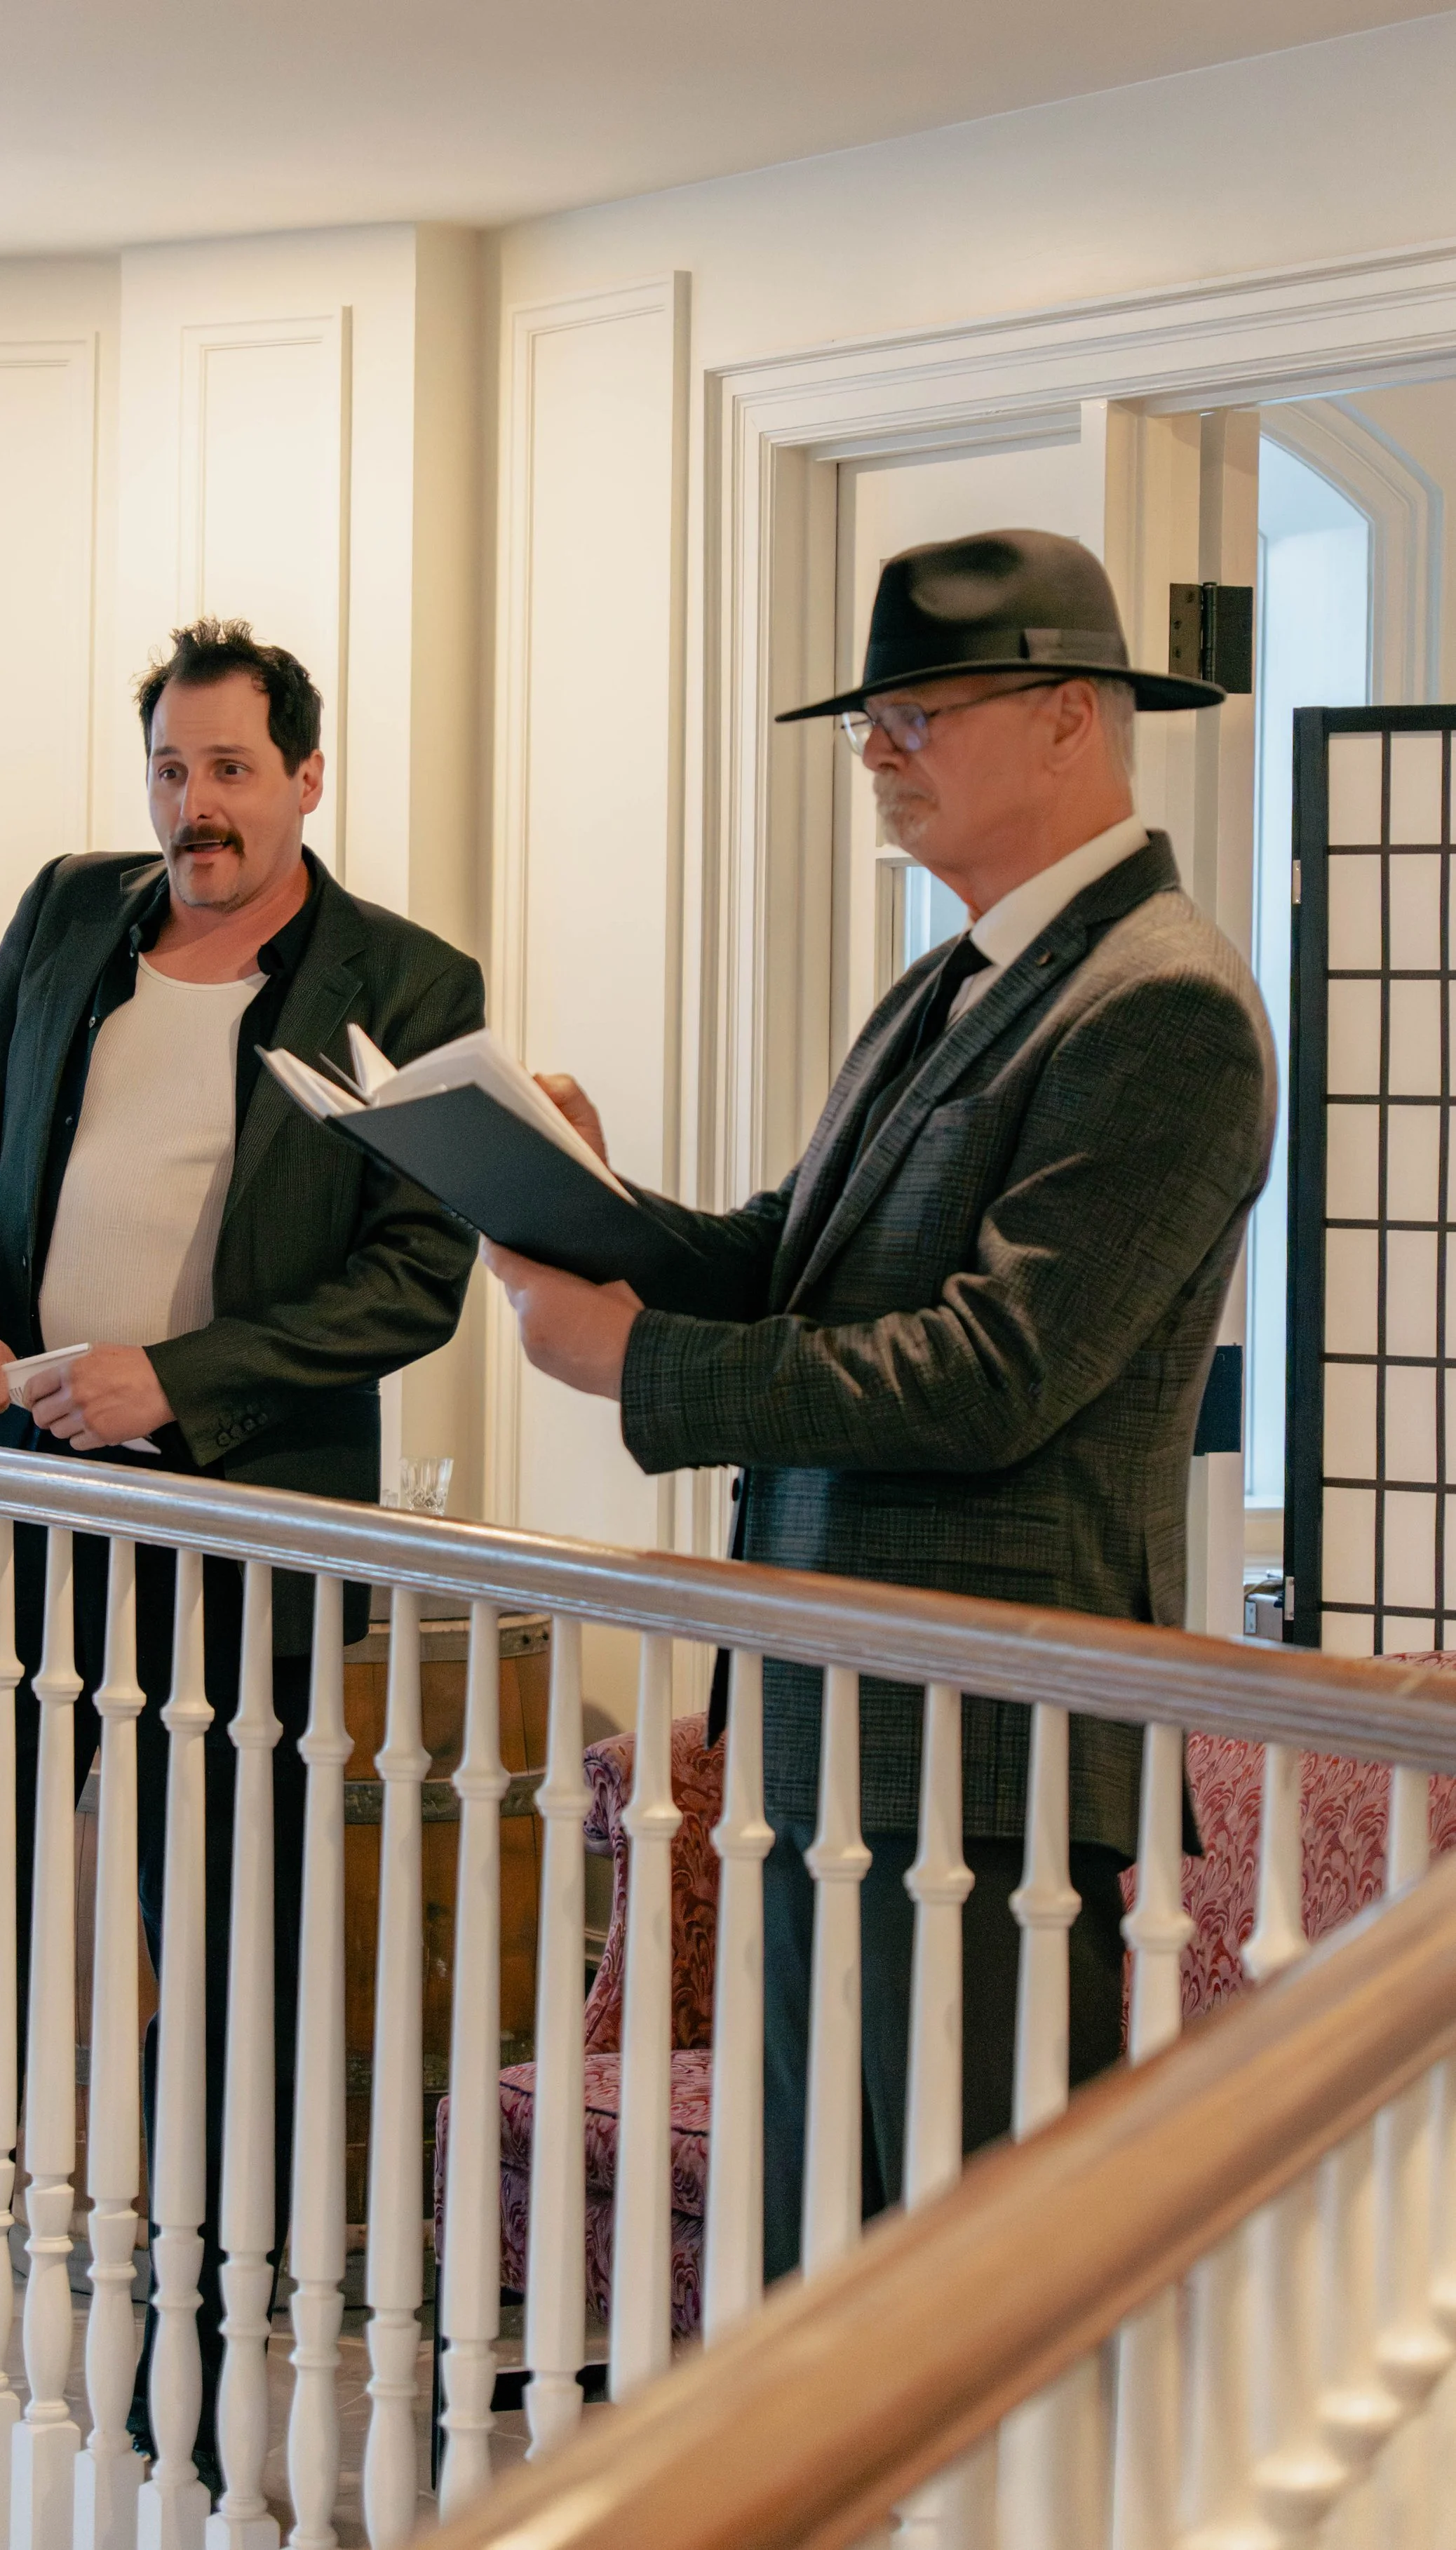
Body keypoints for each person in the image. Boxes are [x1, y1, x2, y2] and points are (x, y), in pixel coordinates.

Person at [484, 530, 1275, 2279]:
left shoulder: (1169, 1004)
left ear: (1072, 714)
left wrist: (632, 1362)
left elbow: (993, 1375)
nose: (873, 750)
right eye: (868, 717)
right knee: (811, 2273)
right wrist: (581, 1202)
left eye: (912, 710)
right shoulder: (944, 979)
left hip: (985, 1749)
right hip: (821, 1721)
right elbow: (793, 1256)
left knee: (955, 2290)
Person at [0, 617, 485, 2465]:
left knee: (233, 1949)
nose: (193, 806)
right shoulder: (68, 918)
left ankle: (216, 2358)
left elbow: (419, 1274)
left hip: (245, 1534)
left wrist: (187, 1382)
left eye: (230, 769)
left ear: (308, 777)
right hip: (12, 1505)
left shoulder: (407, 976)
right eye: (169, 768)